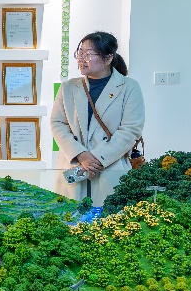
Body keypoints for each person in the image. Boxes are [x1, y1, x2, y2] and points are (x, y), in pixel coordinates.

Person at [50, 31, 145, 206]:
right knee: (70, 217)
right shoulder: (68, 87)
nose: (81, 59)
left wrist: (97, 158)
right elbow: (58, 124)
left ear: (108, 58)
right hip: (74, 167)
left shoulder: (129, 87)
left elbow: (131, 129)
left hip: (109, 167)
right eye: (80, 53)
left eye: (88, 54)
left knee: (108, 218)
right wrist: (81, 154)